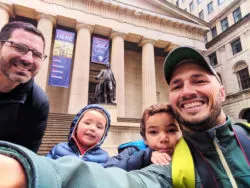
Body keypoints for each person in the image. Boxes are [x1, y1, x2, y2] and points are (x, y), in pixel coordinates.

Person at [0, 46, 250, 188]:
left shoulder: (246, 136)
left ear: (223, 91)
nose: (187, 92)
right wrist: (29, 170)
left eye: (199, 80)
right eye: (176, 85)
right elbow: (119, 183)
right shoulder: (171, 162)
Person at [0, 21, 49, 152]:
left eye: (37, 55)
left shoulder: (37, 103)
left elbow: (23, 157)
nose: (28, 59)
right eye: (19, 47)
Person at [104, 104, 182, 171]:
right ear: (145, 138)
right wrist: (145, 157)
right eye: (153, 132)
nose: (163, 139)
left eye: (171, 130)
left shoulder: (187, 153)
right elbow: (107, 170)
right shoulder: (133, 151)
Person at [46, 104, 111, 165]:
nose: (93, 128)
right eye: (87, 123)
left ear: (104, 134)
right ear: (76, 126)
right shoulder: (58, 149)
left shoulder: (105, 159)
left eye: (99, 127)